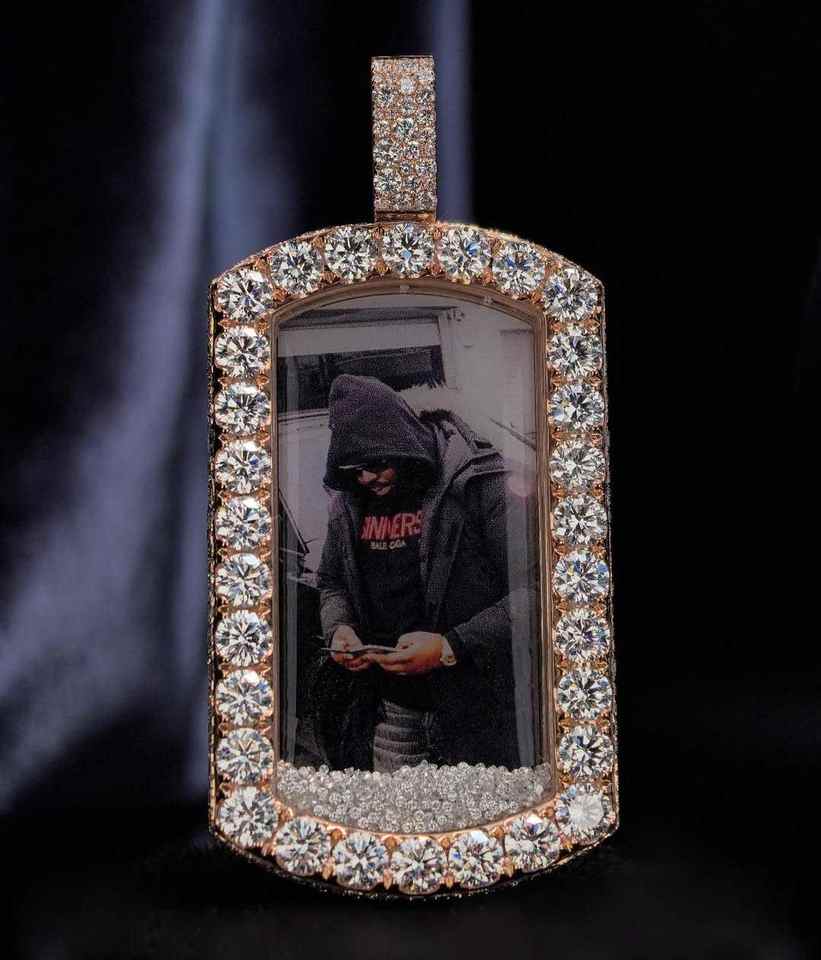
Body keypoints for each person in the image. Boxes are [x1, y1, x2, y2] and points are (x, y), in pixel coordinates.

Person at [312, 373, 539, 773]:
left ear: (402, 443)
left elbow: (538, 592)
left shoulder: (481, 484)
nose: (366, 479)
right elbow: (332, 582)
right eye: (354, 469)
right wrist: (339, 629)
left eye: (376, 465)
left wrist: (450, 647)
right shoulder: (349, 503)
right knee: (398, 810)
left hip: (480, 714)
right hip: (392, 711)